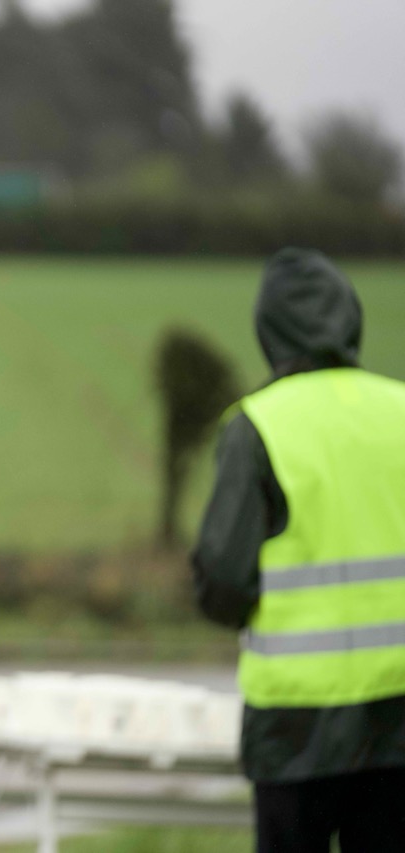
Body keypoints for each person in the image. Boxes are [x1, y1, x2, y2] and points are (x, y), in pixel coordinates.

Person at [192, 248, 405, 853]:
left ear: (270, 331)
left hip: (294, 724)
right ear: (352, 318)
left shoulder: (258, 426)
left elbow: (222, 580)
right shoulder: (401, 410)